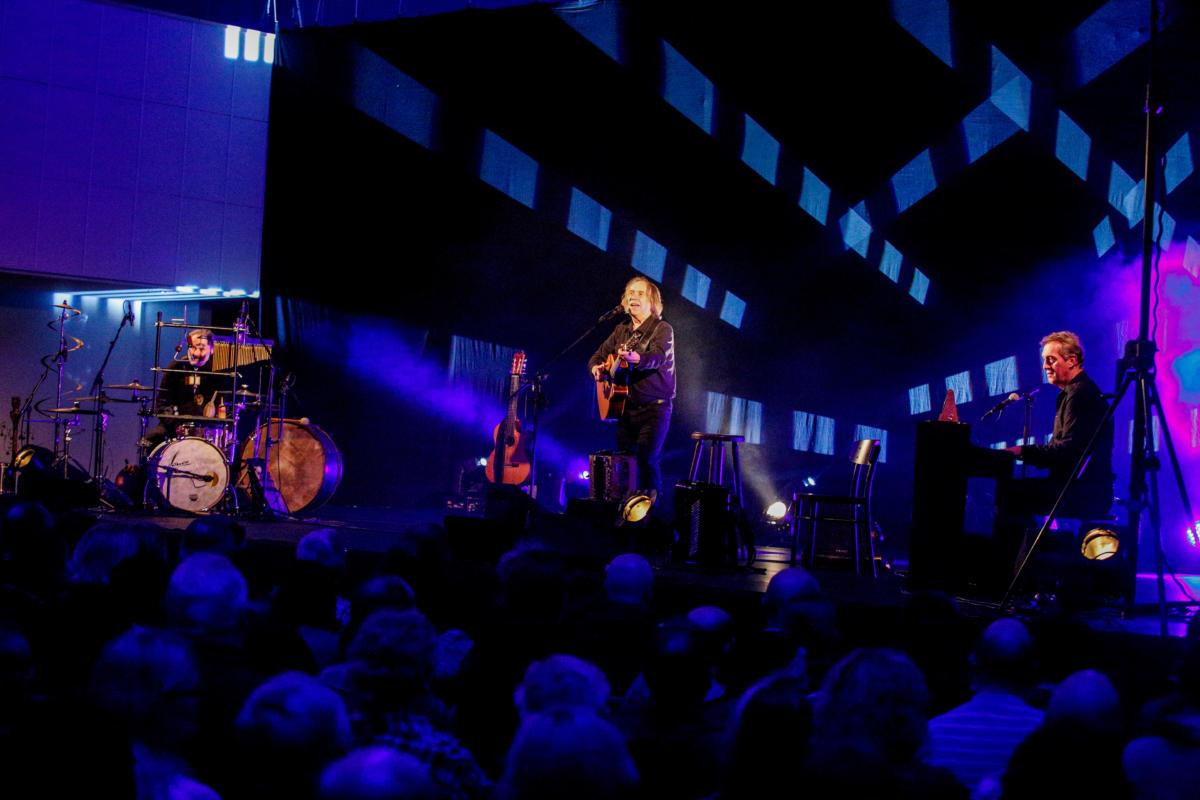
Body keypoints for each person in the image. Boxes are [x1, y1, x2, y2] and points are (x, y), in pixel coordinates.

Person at [1004, 331, 1114, 518]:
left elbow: (1067, 451)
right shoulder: (1073, 392)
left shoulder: (1080, 393)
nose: (1045, 366)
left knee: (1006, 493)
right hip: (1075, 487)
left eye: (1051, 360)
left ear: (1071, 361)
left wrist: (1021, 451)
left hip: (1082, 492)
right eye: (1044, 360)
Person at [588, 277, 676, 495]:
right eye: (630, 292)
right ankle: (627, 513)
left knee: (646, 460)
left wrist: (637, 358)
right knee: (625, 463)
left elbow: (657, 356)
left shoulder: (662, 328)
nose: (632, 296)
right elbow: (597, 356)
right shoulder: (621, 330)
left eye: (639, 293)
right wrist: (596, 368)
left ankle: (650, 514)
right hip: (624, 408)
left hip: (654, 409)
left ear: (652, 302)